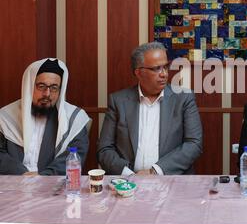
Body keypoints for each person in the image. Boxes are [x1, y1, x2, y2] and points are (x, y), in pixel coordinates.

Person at [97, 42, 202, 176]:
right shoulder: (119, 101)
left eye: (166, 67)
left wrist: (154, 172)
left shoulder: (183, 98)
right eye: (156, 69)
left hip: (171, 182)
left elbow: (194, 144)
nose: (164, 74)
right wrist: (130, 176)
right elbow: (104, 149)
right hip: (127, 184)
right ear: (139, 73)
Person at [0, 58, 90, 175]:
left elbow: (75, 155)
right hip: (13, 182)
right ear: (29, 86)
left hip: (52, 186)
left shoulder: (74, 118)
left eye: (53, 88)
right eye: (41, 86)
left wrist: (43, 177)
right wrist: (22, 174)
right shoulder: (6, 116)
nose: (47, 94)